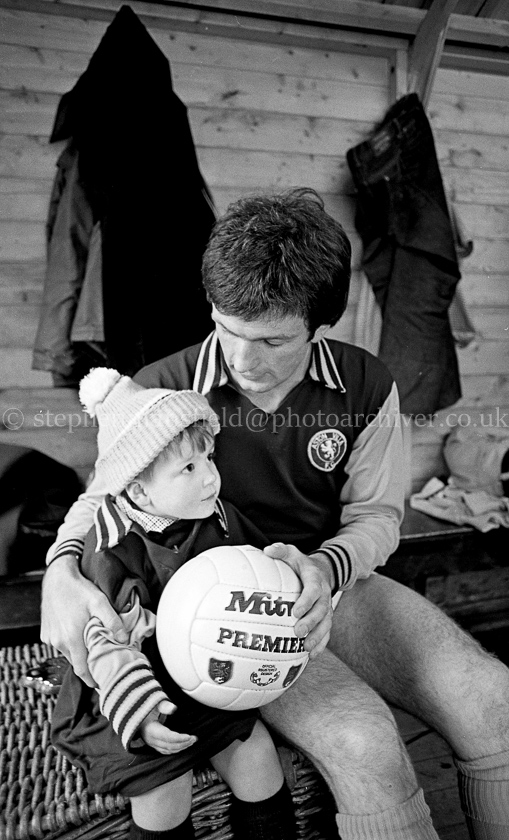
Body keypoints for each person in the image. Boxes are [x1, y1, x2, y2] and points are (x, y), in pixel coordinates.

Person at [43, 189, 509, 840]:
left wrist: (324, 568)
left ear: (320, 327)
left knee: (492, 701)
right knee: (367, 743)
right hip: (223, 608)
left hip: (335, 581)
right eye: (226, 330)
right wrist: (61, 568)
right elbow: (104, 501)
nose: (241, 359)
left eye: (270, 340)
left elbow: (377, 514)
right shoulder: (159, 390)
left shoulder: (367, 383)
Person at [51, 367, 296, 840]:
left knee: (258, 758)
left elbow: (261, 575)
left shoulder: (219, 518)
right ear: (139, 491)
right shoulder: (112, 551)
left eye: (209, 458)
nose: (209, 479)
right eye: (188, 468)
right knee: (165, 787)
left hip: (207, 681)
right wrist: (139, 713)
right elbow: (107, 646)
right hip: (132, 688)